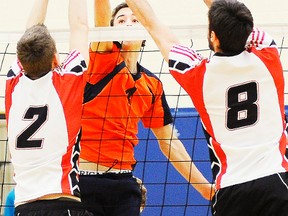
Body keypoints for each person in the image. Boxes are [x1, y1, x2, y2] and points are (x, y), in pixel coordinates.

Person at [125, 0, 288, 215]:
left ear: (213, 36)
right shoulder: (268, 53)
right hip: (276, 182)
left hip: (232, 191)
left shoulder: (199, 75)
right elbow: (232, 14)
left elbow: (153, 24)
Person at [79, 0, 214, 215]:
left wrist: (206, 189)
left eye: (135, 19)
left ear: (145, 31)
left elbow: (170, 144)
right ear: (110, 31)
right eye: (121, 21)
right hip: (87, 183)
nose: (129, 23)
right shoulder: (102, 61)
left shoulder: (152, 85)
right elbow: (101, 14)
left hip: (124, 184)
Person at [5, 0, 92, 215]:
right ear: (55, 58)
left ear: (22, 62)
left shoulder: (13, 82)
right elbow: (79, 25)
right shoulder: (67, 82)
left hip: (24, 208)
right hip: (62, 203)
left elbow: (30, 33)